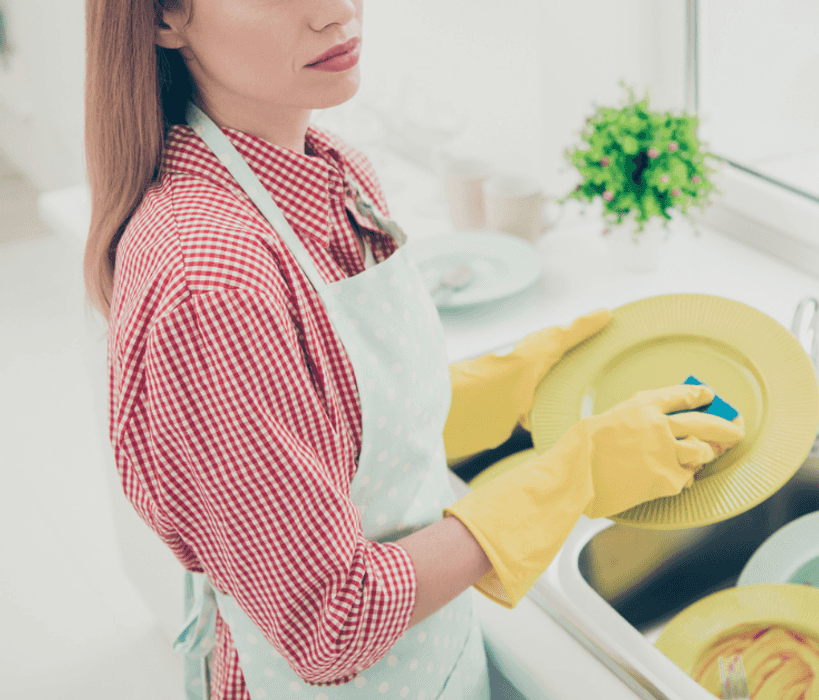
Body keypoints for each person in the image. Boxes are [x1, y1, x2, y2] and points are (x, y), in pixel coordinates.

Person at [82, 1, 745, 698]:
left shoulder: (335, 172)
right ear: (164, 19)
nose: (336, 10)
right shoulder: (210, 283)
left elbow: (337, 434)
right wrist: (565, 482)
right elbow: (328, 620)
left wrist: (502, 388)